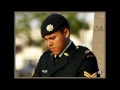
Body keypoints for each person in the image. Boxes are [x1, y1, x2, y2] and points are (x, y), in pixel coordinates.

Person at [32, 13, 101, 77]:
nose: (49, 44)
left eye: (52, 38)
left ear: (66, 33)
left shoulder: (83, 58)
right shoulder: (45, 58)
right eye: (46, 39)